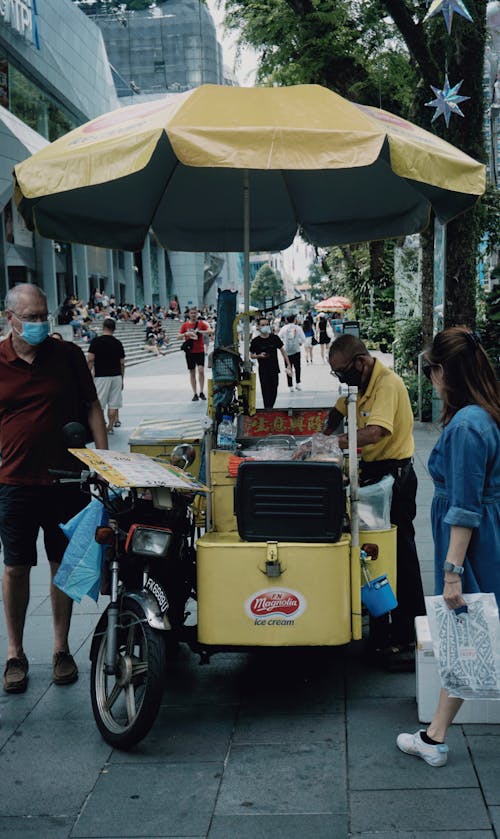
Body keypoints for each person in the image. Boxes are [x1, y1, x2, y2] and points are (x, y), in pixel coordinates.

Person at [397, 327, 500, 767]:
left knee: (469, 629)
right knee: (475, 630)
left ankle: (435, 737)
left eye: (431, 370)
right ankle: (434, 735)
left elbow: (464, 507)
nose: (430, 380)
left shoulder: (466, 427)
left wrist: (452, 569)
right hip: (486, 534)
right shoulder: (486, 414)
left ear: (443, 372)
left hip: (473, 543)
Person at [0, 284, 108, 693]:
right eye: (31, 317)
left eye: (43, 315)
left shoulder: (67, 356)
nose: (40, 324)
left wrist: (104, 460)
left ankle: (62, 649)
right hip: (15, 481)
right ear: (10, 318)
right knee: (15, 566)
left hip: (68, 479)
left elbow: (92, 406)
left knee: (64, 565)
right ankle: (15, 652)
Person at [324, 334, 425, 670]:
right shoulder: (362, 385)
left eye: (342, 372)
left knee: (400, 552)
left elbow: (377, 432)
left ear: (360, 362)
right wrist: (322, 435)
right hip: (373, 473)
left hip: (394, 477)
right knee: (374, 555)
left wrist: (333, 444)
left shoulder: (387, 384)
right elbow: (337, 411)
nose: (341, 378)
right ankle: (383, 629)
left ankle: (409, 634)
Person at [87, 317, 125, 434]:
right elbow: (122, 363)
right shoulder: (118, 343)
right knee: (114, 403)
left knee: (99, 404)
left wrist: (88, 375)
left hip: (101, 376)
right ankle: (110, 427)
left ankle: (101, 425)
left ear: (103, 327)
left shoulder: (96, 342)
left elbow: (90, 359)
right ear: (114, 329)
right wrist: (122, 379)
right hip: (116, 376)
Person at [250, 316, 292, 409]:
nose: (265, 326)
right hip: (263, 370)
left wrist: (288, 365)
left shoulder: (274, 338)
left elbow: (283, 351)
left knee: (274, 390)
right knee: (266, 391)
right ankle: (268, 410)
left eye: (267, 324)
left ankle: (269, 408)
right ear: (258, 327)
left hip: (274, 369)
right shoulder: (255, 341)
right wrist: (259, 355)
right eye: (263, 325)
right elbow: (251, 355)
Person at [178, 307, 212, 402]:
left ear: (197, 314)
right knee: (192, 372)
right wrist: (186, 334)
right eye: (191, 313)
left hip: (200, 350)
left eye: (195, 313)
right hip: (190, 352)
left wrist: (200, 332)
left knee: (201, 371)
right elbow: (178, 336)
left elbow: (211, 331)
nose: (193, 315)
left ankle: (201, 391)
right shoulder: (185, 325)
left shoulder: (201, 324)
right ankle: (195, 393)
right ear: (189, 314)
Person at [279, 314, 306, 393]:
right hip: (296, 350)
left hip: (286, 352)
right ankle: (298, 383)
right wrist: (299, 342)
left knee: (288, 367)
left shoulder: (284, 328)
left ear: (287, 320)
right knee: (297, 367)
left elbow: (278, 337)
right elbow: (303, 339)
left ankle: (290, 386)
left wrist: (283, 344)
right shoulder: (298, 328)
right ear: (294, 320)